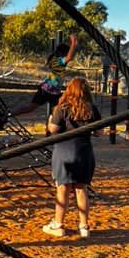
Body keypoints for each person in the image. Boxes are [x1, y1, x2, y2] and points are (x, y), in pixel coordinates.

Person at [42, 77, 101, 239]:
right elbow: (99, 132)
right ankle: (84, 226)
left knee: (63, 188)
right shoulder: (92, 109)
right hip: (84, 152)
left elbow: (53, 130)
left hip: (64, 152)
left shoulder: (62, 108)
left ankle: (58, 224)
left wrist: (49, 122)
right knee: (81, 189)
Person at [12, 34, 78, 120]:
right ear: (62, 53)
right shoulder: (58, 61)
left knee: (56, 110)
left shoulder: (56, 59)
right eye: (66, 53)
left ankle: (52, 128)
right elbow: (69, 57)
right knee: (32, 108)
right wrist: (73, 43)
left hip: (52, 90)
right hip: (48, 89)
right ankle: (9, 114)